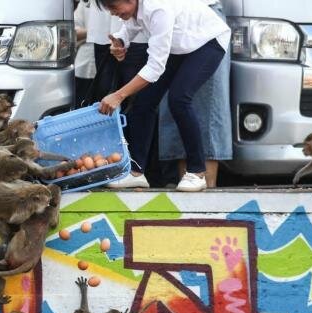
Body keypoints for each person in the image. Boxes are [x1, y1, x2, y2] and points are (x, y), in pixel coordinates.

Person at [96, 0, 230, 192]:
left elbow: (155, 67)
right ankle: (136, 172)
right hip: (180, 45)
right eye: (109, 9)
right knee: (143, 101)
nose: (113, 13)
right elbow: (131, 26)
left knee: (179, 99)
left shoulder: (157, 8)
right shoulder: (137, 9)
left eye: (114, 7)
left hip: (208, 41)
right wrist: (121, 41)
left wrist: (119, 95)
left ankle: (197, 172)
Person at [157, 0, 231, 188]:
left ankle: (207, 197)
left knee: (205, 110)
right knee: (175, 106)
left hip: (202, 16)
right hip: (168, 15)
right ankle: (186, 187)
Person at [74, 1, 96, 108]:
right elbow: (73, 33)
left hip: (113, 62)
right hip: (84, 63)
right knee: (81, 106)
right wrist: (97, 31)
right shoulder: (85, 3)